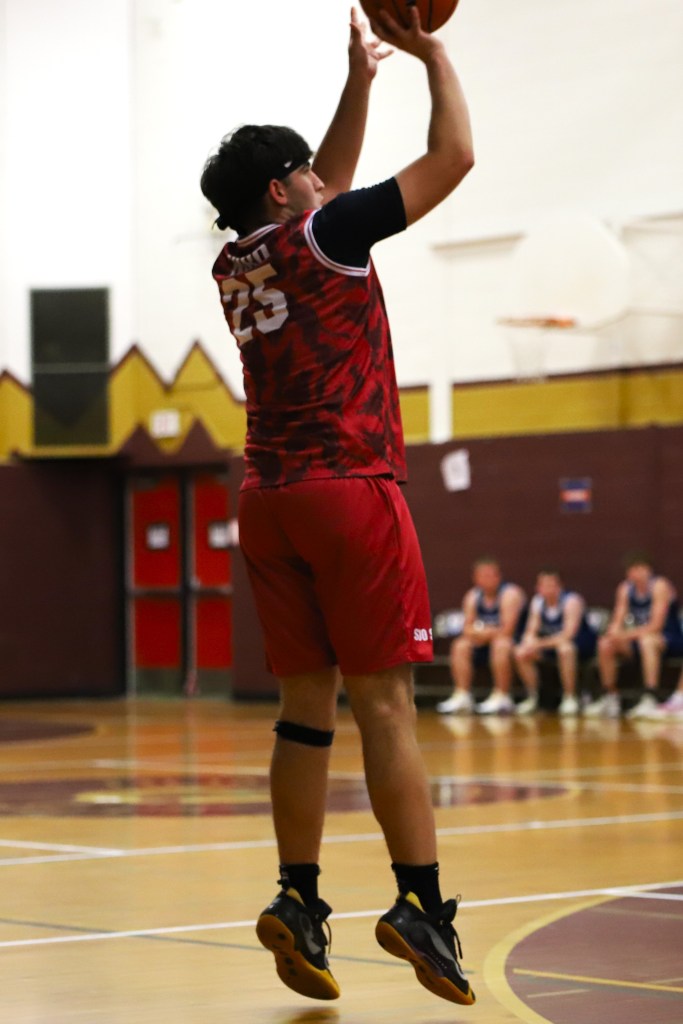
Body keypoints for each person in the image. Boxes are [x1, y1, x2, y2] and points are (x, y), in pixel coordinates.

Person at [200, 6, 475, 1007]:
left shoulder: (237, 261)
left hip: (266, 498)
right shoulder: (327, 233)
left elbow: (325, 185)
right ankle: (421, 904)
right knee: (387, 704)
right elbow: (453, 158)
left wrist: (358, 81)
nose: (325, 178)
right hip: (347, 490)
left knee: (303, 710)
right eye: (306, 174)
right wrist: (431, 55)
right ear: (283, 190)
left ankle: (299, 895)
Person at [584, 553, 683, 719]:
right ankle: (610, 696)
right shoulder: (625, 589)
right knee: (605, 644)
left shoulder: (660, 586)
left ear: (649, 570)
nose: (637, 573)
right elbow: (618, 619)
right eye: (633, 570)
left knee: (648, 642)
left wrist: (624, 635)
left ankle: (650, 696)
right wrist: (613, 633)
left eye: (640, 569)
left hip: (669, 638)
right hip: (638, 638)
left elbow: (656, 625)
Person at [436, 558, 526, 715]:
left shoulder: (510, 594)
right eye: (483, 575)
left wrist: (481, 632)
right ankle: (462, 695)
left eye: (491, 575)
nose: (487, 579)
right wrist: (486, 633)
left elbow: (507, 630)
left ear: (499, 576)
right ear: (475, 578)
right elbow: (466, 628)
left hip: (513, 643)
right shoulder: (472, 596)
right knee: (460, 645)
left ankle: (502, 696)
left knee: (501, 644)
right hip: (483, 643)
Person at [513, 569, 597, 717]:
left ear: (559, 586)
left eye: (552, 585)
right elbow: (531, 630)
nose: (548, 589)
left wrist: (538, 644)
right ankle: (535, 696)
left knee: (565, 649)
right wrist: (528, 641)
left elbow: (568, 635)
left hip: (580, 646)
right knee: (520, 652)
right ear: (538, 588)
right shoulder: (538, 602)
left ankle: (570, 697)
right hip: (550, 645)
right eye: (544, 585)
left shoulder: (571, 601)